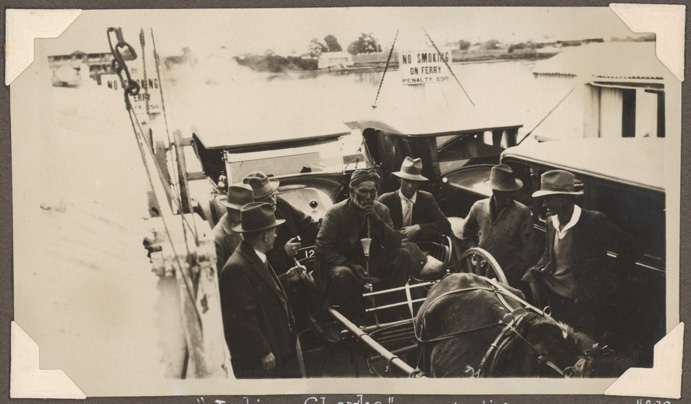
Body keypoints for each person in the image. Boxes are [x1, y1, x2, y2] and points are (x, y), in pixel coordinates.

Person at [521, 170, 639, 340]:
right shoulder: (550, 222)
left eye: (548, 198)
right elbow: (549, 253)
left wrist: (605, 280)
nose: (544, 204)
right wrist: (536, 271)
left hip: (583, 303)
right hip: (555, 298)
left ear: (564, 199)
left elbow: (631, 248)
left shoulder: (594, 221)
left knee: (583, 345)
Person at [315, 168, 426, 322]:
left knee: (402, 255)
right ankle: (352, 321)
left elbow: (395, 242)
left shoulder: (381, 210)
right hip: (343, 263)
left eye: (372, 192)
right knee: (343, 274)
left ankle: (390, 312)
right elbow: (322, 249)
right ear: (351, 190)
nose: (368, 197)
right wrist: (350, 265)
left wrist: (377, 220)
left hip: (371, 261)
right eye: (362, 192)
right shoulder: (335, 213)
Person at [220, 202, 303, 378]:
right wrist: (263, 351)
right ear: (265, 236)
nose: (276, 234)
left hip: (278, 347)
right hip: (265, 359)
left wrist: (286, 279)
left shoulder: (254, 257)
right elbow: (241, 317)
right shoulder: (236, 268)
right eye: (274, 231)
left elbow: (259, 290)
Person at [460, 164, 535, 288]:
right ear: (494, 191)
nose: (512, 195)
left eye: (513, 191)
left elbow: (529, 251)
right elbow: (466, 231)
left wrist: (514, 275)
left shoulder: (522, 212)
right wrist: (474, 253)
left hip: (508, 278)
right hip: (481, 274)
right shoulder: (478, 207)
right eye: (506, 192)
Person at [242, 172, 320, 275]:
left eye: (273, 195)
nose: (273, 201)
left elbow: (307, 224)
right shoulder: (249, 223)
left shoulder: (280, 204)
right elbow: (256, 262)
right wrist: (284, 252)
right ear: (254, 204)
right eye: (267, 199)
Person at [378, 156, 451, 242]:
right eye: (406, 181)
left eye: (414, 181)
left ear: (419, 183)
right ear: (399, 179)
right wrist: (397, 234)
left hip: (422, 247)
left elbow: (445, 225)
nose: (410, 186)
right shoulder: (386, 200)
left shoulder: (427, 199)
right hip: (394, 247)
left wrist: (419, 227)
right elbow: (377, 228)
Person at [212, 184, 254, 277]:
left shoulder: (242, 225)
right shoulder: (217, 239)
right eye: (243, 212)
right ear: (230, 209)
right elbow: (218, 280)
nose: (248, 216)